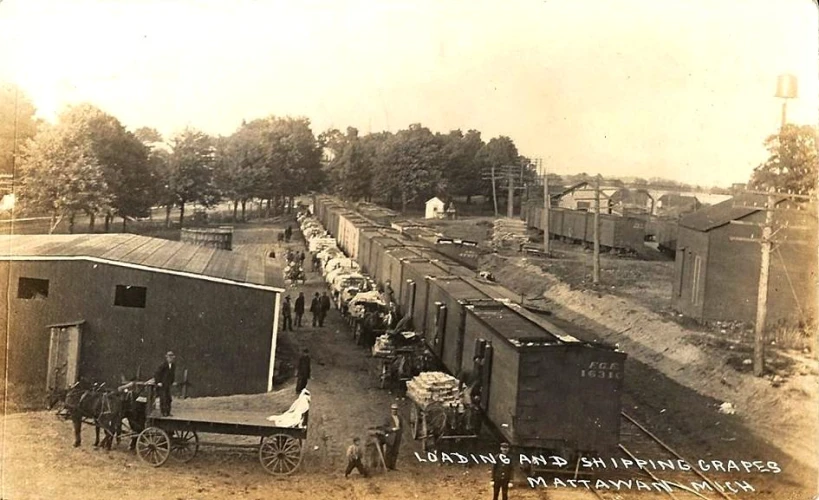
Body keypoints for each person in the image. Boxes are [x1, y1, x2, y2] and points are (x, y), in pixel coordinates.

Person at [153, 351, 176, 417]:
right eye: (169, 357)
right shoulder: (163, 365)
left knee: (168, 399)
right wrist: (158, 382)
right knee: (163, 398)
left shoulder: (173, 365)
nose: (171, 359)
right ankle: (163, 412)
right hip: (162, 385)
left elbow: (172, 375)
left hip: (168, 385)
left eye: (172, 357)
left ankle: (168, 412)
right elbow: (157, 373)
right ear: (167, 358)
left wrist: (172, 381)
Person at [384, 403, 403, 470]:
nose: (394, 411)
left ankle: (393, 466)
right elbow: (385, 428)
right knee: (389, 451)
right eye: (393, 409)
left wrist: (400, 433)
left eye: (395, 409)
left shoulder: (399, 418)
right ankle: (387, 466)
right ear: (391, 410)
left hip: (397, 436)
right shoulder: (387, 418)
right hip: (391, 436)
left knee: (395, 451)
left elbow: (401, 426)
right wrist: (392, 429)